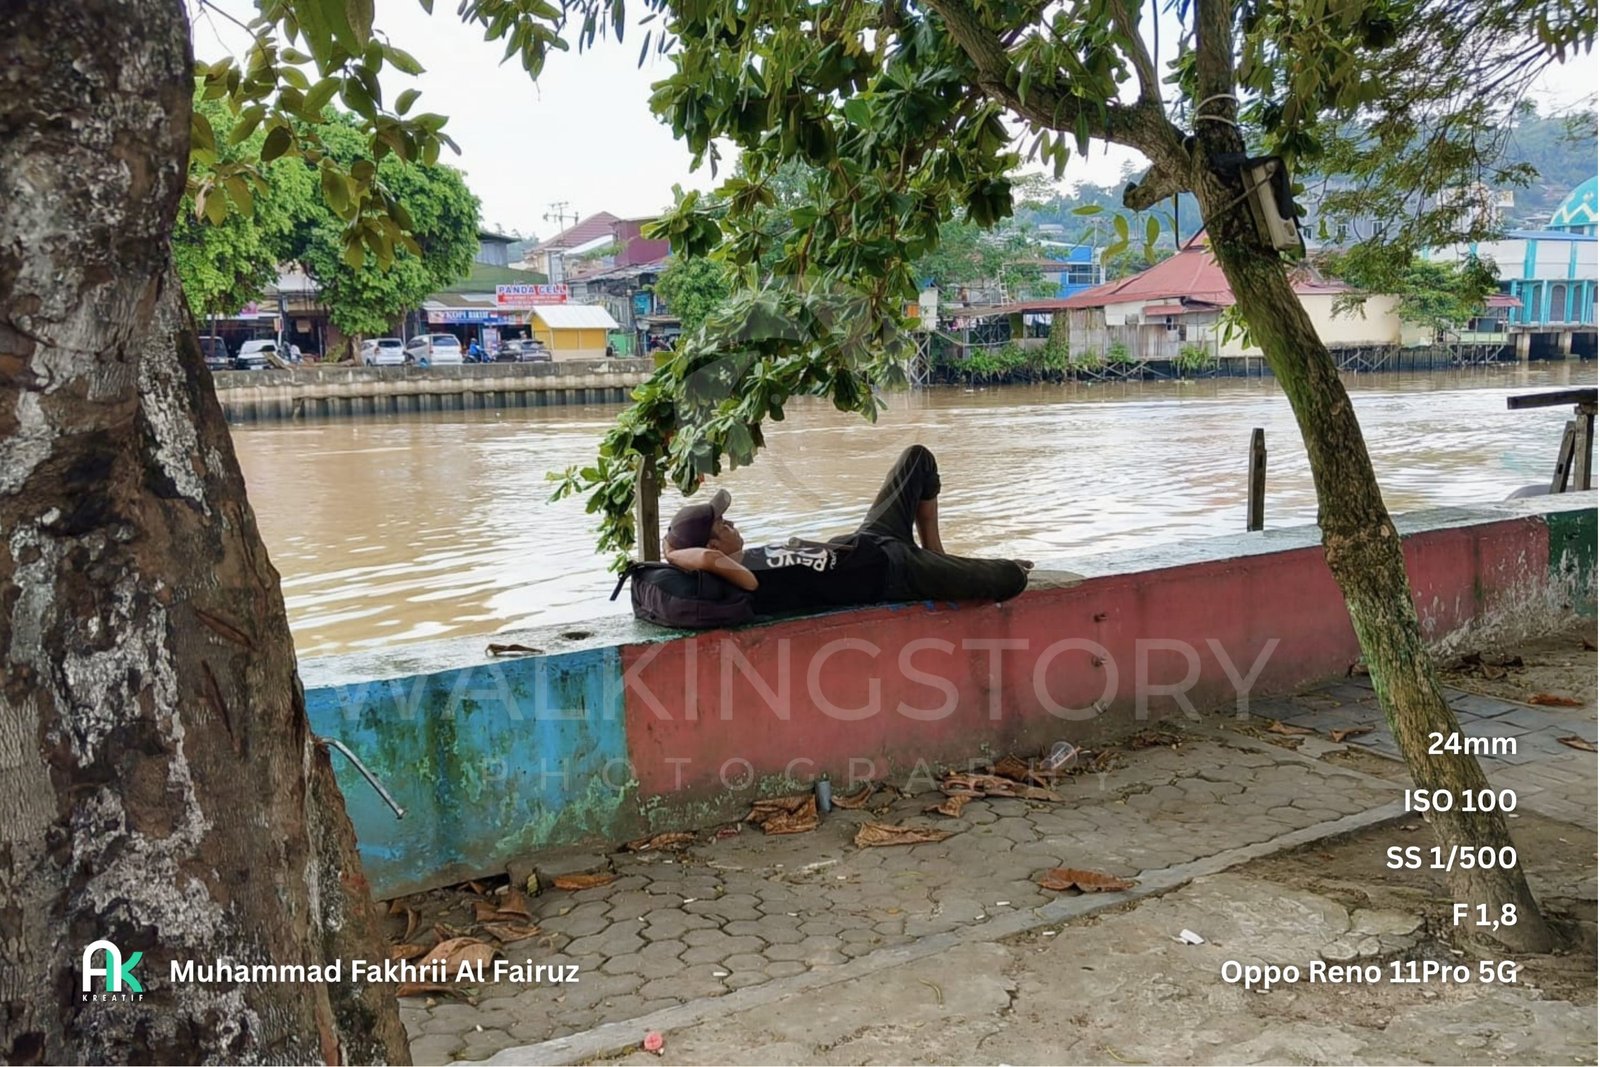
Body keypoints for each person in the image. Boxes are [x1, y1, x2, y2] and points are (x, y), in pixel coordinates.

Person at [661, 445, 1032, 615]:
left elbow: (708, 556)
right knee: (1010, 577)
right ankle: (936, 563)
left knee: (917, 459)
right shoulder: (741, 580)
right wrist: (674, 554)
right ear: (712, 548)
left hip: (868, 540)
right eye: (723, 525)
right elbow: (708, 559)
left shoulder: (743, 559)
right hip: (893, 571)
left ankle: (934, 550)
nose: (732, 524)